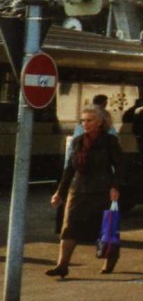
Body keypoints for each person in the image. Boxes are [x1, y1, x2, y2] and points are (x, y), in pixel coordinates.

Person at [47, 105, 123, 277]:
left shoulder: (110, 141)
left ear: (99, 122)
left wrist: (114, 186)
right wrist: (60, 192)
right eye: (83, 120)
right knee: (69, 226)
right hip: (79, 189)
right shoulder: (78, 141)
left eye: (89, 120)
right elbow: (69, 168)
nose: (85, 124)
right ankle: (62, 265)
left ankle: (111, 256)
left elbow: (120, 166)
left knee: (105, 228)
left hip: (102, 190)